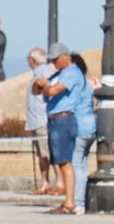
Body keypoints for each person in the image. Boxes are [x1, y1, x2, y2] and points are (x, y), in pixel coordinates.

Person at [33, 43, 84, 213]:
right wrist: (40, 85)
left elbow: (54, 91)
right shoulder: (59, 73)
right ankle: (68, 201)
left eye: (56, 59)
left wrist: (44, 86)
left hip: (64, 119)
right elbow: (37, 91)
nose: (54, 63)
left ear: (65, 56)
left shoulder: (72, 73)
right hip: (54, 120)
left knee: (65, 163)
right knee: (60, 162)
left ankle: (70, 202)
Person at [25, 47, 57, 194]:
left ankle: (50, 183)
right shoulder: (39, 72)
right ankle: (45, 182)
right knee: (42, 153)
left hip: (41, 119)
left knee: (46, 153)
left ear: (32, 60)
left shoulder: (43, 72)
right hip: (36, 120)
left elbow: (47, 87)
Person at [70, 53, 97, 212]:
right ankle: (83, 200)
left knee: (76, 164)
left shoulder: (76, 84)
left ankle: (78, 201)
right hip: (91, 126)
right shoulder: (87, 84)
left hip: (79, 126)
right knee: (83, 164)